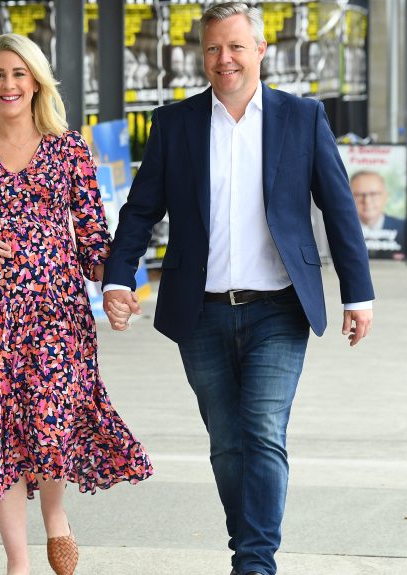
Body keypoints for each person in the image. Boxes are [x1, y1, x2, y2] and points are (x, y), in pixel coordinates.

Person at [102, 4, 373, 575]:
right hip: (198, 313)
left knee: (262, 433)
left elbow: (338, 204)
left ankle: (255, 563)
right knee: (227, 445)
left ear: (261, 49)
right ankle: (247, 549)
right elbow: (141, 209)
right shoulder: (174, 123)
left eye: (236, 47)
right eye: (212, 49)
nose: (224, 60)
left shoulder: (303, 118)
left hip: (279, 307)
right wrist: (118, 277)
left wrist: (358, 292)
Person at [0, 33, 153, 575]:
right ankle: (18, 562)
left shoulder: (68, 149)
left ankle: (57, 515)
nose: (8, 85)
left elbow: (93, 237)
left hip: (55, 314)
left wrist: (117, 286)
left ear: (37, 81)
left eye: (19, 74)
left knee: (49, 419)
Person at [350, 170, 407, 256]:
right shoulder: (338, 230)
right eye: (359, 194)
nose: (367, 201)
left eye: (373, 194)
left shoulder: (405, 229)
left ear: (386, 196)